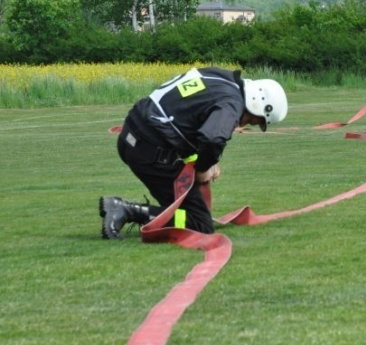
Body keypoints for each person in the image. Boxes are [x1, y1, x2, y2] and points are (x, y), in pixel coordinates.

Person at [99, 67, 288, 239]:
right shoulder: (232, 102)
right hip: (150, 150)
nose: (245, 124)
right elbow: (212, 138)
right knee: (199, 224)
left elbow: (187, 119)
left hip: (133, 136)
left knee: (187, 211)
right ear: (256, 103)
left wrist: (205, 159)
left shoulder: (219, 77)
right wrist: (203, 167)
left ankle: (130, 210)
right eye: (253, 120)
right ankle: (126, 210)